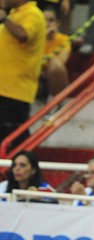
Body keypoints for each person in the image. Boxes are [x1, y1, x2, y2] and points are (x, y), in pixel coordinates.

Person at [0, 0, 46, 147]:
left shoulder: (34, 14)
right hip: (4, 87)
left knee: (14, 137)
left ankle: (23, 165)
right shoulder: (15, 13)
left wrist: (4, 19)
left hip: (16, 90)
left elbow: (23, 34)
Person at [40, 7, 70, 101]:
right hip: (35, 78)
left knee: (55, 64)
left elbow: (61, 60)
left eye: (51, 20)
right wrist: (43, 36)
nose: (47, 23)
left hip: (54, 78)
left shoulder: (63, 39)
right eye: (43, 20)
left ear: (57, 24)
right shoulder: (34, 39)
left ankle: (54, 103)